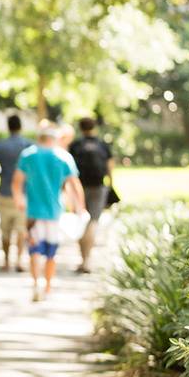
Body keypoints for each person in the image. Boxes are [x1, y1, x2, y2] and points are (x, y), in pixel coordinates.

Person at [13, 121, 82, 303]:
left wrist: (19, 200)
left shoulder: (28, 155)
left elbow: (17, 181)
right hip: (54, 212)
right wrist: (80, 208)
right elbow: (74, 185)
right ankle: (48, 286)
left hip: (33, 212)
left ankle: (36, 283)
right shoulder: (64, 157)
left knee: (35, 250)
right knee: (51, 252)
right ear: (55, 139)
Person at [0, 114, 33, 271]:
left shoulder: (0, 146)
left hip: (5, 192)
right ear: (20, 126)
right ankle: (19, 260)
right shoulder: (28, 146)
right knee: (21, 229)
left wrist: (1, 172)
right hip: (23, 193)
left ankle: (6, 261)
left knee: (5, 230)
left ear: (8, 126)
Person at [69, 117, 116, 275]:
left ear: (80, 128)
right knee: (93, 221)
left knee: (81, 221)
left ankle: (83, 259)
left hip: (79, 187)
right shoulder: (102, 145)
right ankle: (87, 260)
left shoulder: (75, 145)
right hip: (98, 186)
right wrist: (110, 184)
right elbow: (110, 166)